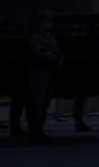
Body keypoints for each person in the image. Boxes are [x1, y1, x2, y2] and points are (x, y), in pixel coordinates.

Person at [27, 11, 62, 143]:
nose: (49, 24)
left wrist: (57, 58)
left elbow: (56, 51)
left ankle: (39, 130)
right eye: (47, 21)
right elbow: (36, 52)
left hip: (48, 71)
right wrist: (50, 56)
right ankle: (35, 131)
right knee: (37, 102)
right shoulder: (37, 37)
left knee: (44, 102)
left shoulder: (50, 37)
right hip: (39, 71)